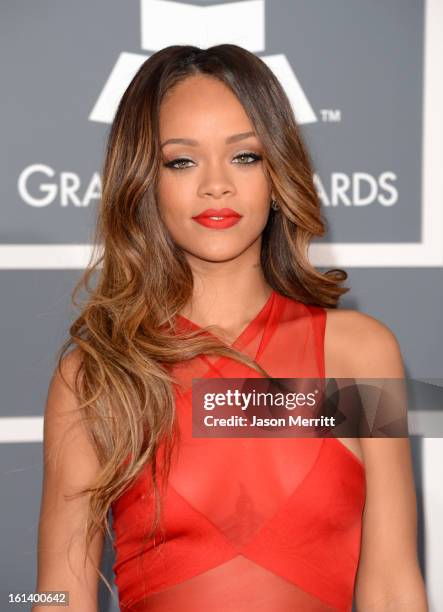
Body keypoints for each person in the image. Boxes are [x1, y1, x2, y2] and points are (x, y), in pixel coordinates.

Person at [34, 45, 428, 611]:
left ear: (278, 172)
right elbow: (57, 592)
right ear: (144, 180)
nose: (216, 185)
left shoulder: (359, 353)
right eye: (182, 161)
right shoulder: (96, 376)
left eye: (244, 157)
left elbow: (393, 587)